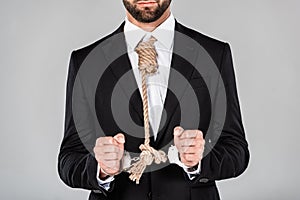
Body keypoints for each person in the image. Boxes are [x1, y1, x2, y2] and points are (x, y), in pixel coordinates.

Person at [58, 0, 250, 199]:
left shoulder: (214, 54)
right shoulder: (86, 62)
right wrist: (101, 169)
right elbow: (68, 160)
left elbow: (237, 152)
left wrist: (200, 159)